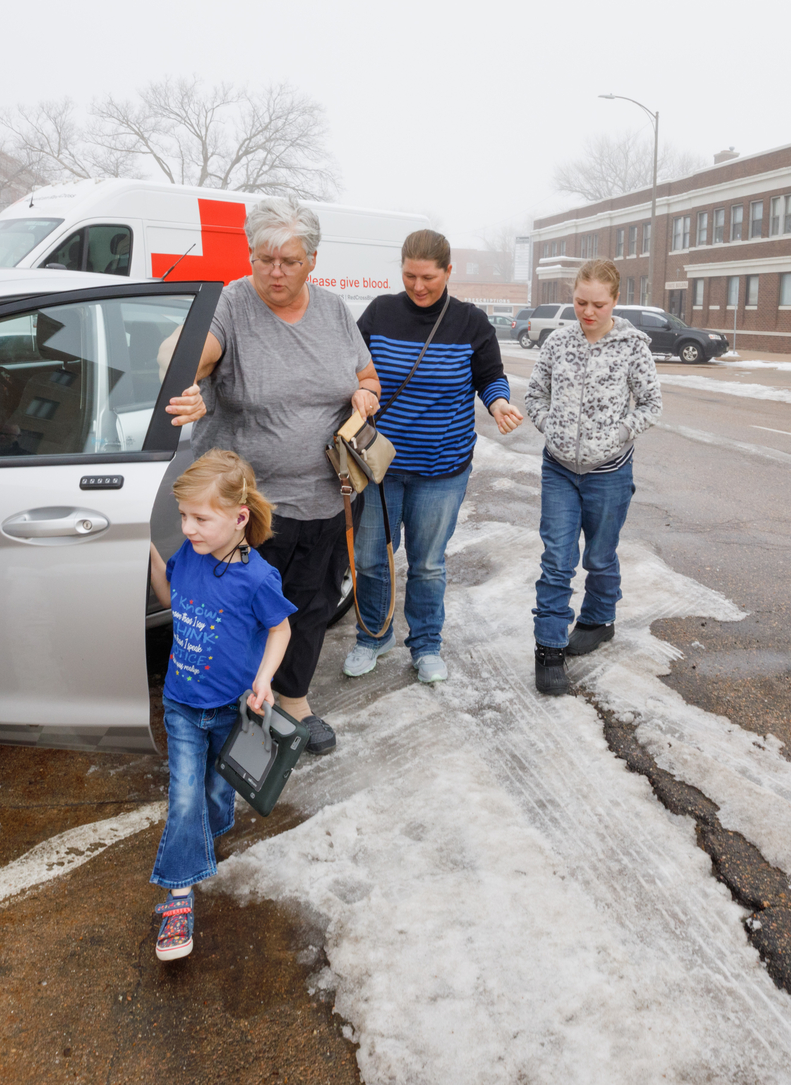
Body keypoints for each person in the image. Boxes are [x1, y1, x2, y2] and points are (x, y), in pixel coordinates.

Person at [164, 197, 380, 755]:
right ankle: (231, 711)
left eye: (287, 260)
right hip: (250, 510)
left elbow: (367, 376)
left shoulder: (334, 311)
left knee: (309, 607)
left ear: (312, 259)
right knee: (237, 616)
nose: (274, 272)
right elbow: (188, 351)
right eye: (263, 259)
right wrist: (181, 375)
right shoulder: (231, 306)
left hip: (325, 499)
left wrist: (365, 395)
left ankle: (293, 701)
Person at [343, 229, 525, 684]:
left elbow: (491, 376)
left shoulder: (470, 322)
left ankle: (425, 646)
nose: (418, 286)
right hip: (380, 467)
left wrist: (499, 403)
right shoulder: (381, 313)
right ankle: (373, 636)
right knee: (372, 559)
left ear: (448, 271)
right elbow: (354, 368)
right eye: (409, 276)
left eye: (428, 277)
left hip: (442, 469)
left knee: (427, 564)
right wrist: (357, 394)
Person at [146, 449, 296, 961]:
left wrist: (264, 679)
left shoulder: (257, 579)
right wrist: (147, 553)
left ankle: (201, 838)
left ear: (239, 517)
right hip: (182, 705)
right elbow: (171, 599)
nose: (188, 528)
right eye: (183, 516)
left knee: (215, 793)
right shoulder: (189, 556)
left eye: (200, 518)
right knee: (186, 796)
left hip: (234, 709)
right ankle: (179, 896)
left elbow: (281, 628)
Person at [523, 259, 662, 695]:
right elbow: (534, 394)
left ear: (615, 301)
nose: (587, 312)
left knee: (600, 556)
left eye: (597, 304)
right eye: (580, 302)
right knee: (557, 559)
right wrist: (553, 428)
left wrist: (618, 434)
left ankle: (599, 619)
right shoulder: (558, 342)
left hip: (610, 473)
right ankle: (548, 650)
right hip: (559, 469)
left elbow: (651, 405)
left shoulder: (633, 347)